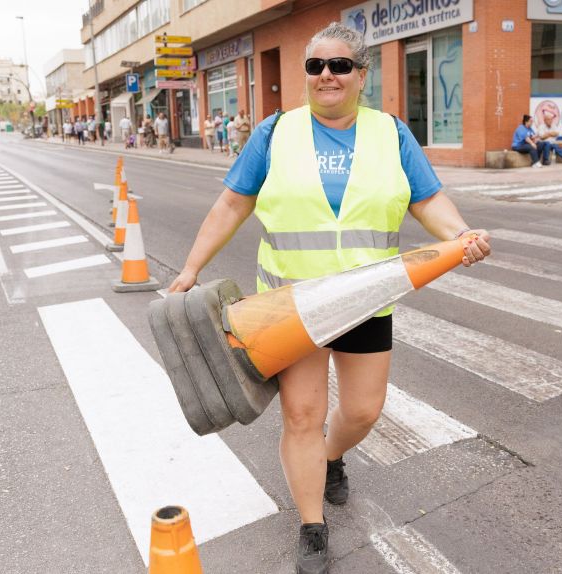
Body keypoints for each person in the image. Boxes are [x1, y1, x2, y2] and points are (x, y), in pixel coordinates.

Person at [167, 21, 490, 574]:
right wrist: (191, 268)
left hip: (367, 296)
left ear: (361, 75)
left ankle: (333, 456)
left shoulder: (391, 133)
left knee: (364, 410)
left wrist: (459, 235)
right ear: (307, 75)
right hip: (292, 302)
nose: (326, 76)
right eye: (316, 66)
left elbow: (428, 198)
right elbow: (230, 205)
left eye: (340, 65)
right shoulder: (274, 132)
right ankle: (311, 525)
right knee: (302, 415)